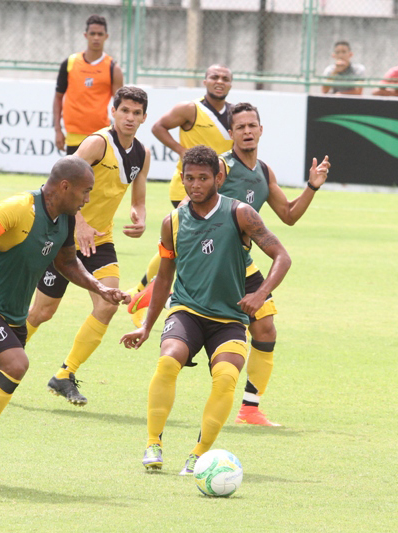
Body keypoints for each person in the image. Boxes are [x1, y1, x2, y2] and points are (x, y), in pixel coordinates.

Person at [0, 156, 130, 479]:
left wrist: (99, 288)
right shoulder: (20, 208)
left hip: (13, 316)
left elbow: (67, 263)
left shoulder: (64, 218)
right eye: (85, 192)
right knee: (16, 364)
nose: (88, 200)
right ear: (64, 187)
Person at [120, 145, 292, 475]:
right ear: (181, 179)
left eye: (203, 178)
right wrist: (146, 326)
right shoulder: (172, 222)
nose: (195, 184)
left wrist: (261, 295)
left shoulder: (240, 213)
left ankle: (199, 453)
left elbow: (282, 256)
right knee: (168, 360)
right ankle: (153, 443)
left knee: (226, 377)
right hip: (187, 312)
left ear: (218, 178)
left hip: (229, 319)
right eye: (189, 178)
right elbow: (165, 275)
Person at [26, 86, 151, 406]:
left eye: (137, 113)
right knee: (42, 312)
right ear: (114, 112)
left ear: (144, 118)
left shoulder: (142, 154)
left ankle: (65, 374)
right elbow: (58, 179)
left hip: (100, 240)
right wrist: (77, 222)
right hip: (63, 235)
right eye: (125, 111)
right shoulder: (97, 143)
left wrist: (139, 219)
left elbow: (138, 200)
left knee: (108, 303)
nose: (130, 117)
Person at [214, 102, 329, 426]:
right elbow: (188, 209)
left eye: (253, 125)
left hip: (243, 264)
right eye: (241, 127)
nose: (248, 131)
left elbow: (289, 216)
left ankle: (250, 409)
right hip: (213, 264)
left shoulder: (264, 172)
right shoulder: (222, 167)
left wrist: (312, 187)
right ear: (231, 133)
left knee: (265, 328)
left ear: (261, 130)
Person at [125, 64, 234, 324]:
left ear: (231, 83)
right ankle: (146, 293)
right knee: (182, 243)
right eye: (214, 77)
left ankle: (143, 291)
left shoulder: (233, 114)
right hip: (188, 187)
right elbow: (159, 126)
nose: (219, 81)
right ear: (205, 80)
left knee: (184, 244)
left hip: (217, 188)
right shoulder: (190, 109)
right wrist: (181, 150)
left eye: (225, 78)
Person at [54, 14, 124, 154]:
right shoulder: (70, 63)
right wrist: (57, 130)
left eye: (100, 34)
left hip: (100, 135)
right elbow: (58, 97)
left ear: (106, 36)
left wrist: (120, 135)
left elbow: (121, 106)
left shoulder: (113, 68)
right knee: (72, 176)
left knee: (97, 176)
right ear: (86, 35)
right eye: (92, 33)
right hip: (73, 135)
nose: (96, 37)